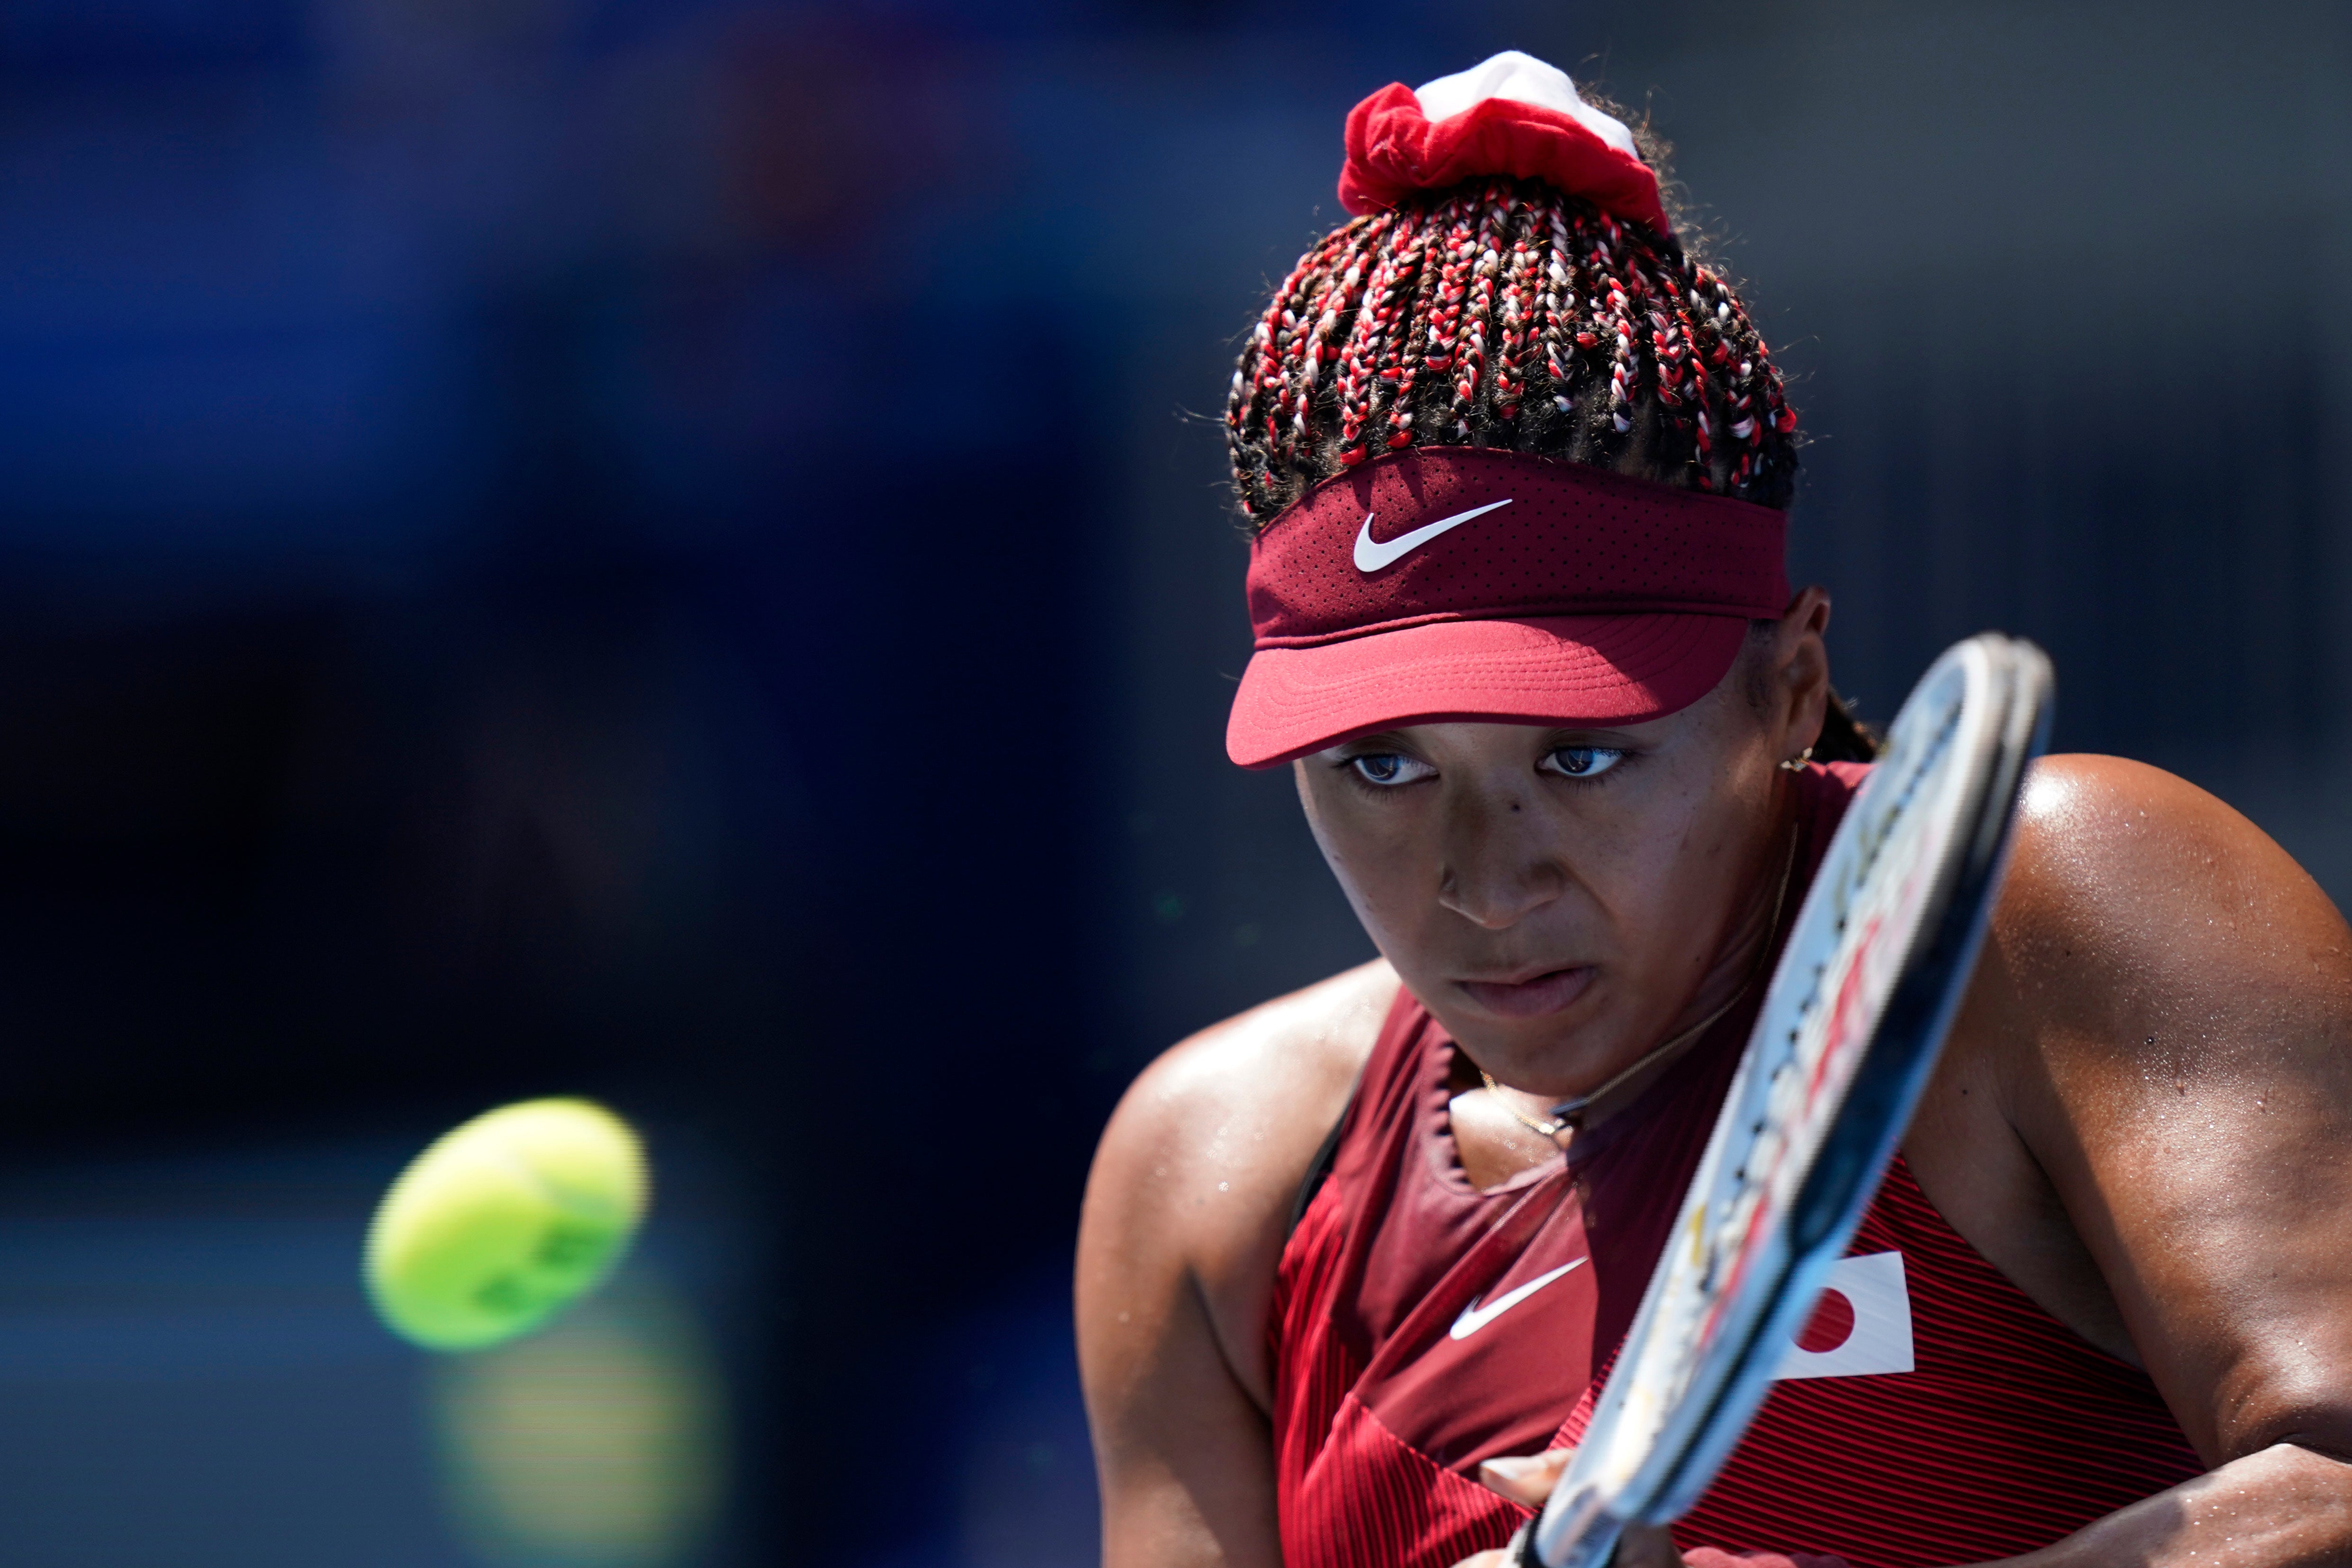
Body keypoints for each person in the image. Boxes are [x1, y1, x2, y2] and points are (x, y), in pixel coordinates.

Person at [1074, 49, 2352, 1568]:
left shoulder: (2060, 904)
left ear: (1791, 690)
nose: (1480, 885)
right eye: (1384, 768)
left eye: (1583, 755)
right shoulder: (1214, 1176)